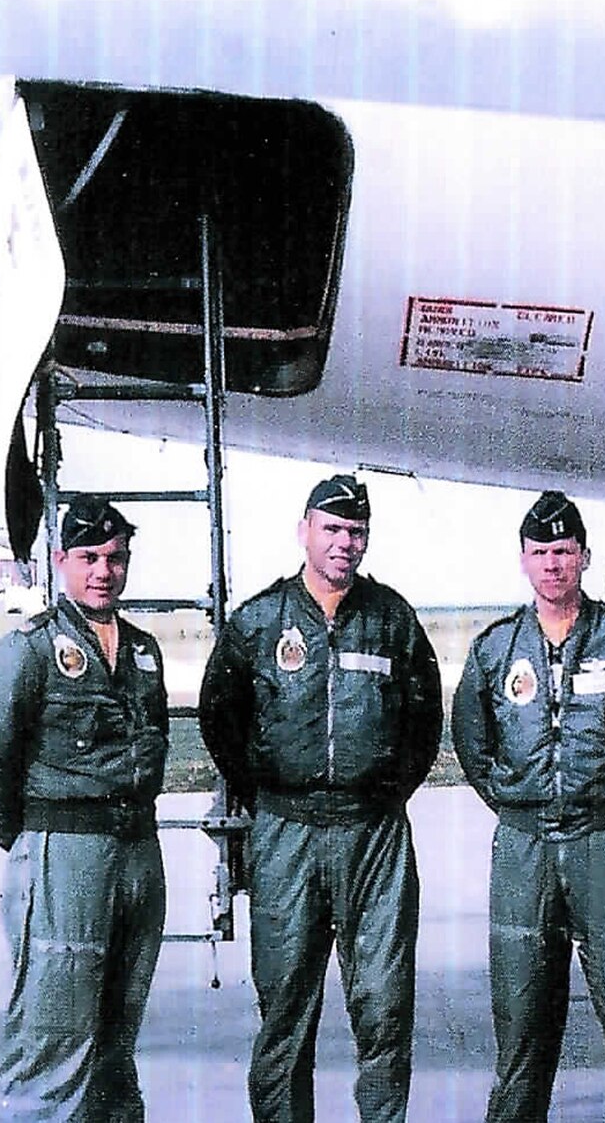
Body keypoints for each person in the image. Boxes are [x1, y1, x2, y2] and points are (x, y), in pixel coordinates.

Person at [199, 473, 444, 1123]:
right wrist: (271, 786)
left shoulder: (391, 619)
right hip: (288, 834)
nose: (344, 543)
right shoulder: (258, 622)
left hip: (374, 836)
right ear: (305, 530)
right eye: (332, 529)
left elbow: (425, 719)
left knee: (385, 1005)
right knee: (285, 1008)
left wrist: (386, 790)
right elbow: (220, 716)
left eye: (355, 531)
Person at [451, 491, 605, 1123]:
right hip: (525, 851)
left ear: (585, 558)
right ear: (523, 562)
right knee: (521, 1028)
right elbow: (474, 745)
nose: (552, 565)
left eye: (563, 552)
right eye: (540, 553)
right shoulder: (495, 650)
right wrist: (525, 805)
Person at [0, 495, 170, 1123]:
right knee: (53, 1040)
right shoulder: (26, 652)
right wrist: (33, 843)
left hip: (136, 853)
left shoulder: (142, 651)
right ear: (61, 561)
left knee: (114, 1041)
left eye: (115, 558)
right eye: (88, 558)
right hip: (65, 853)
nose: (103, 571)